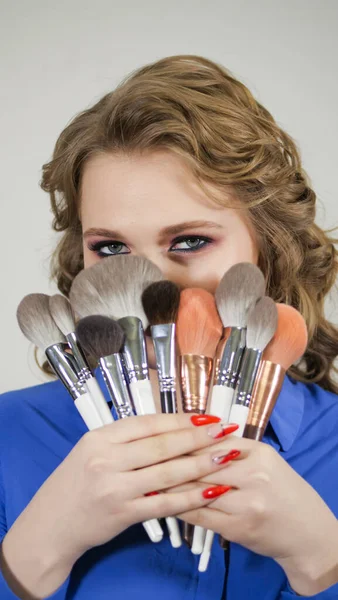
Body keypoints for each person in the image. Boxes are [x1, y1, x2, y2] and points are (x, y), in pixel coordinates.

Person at [1, 54, 338, 600]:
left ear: (268, 249)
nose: (146, 284)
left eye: (190, 241)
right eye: (110, 248)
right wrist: (35, 553)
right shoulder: (8, 438)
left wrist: (322, 559)